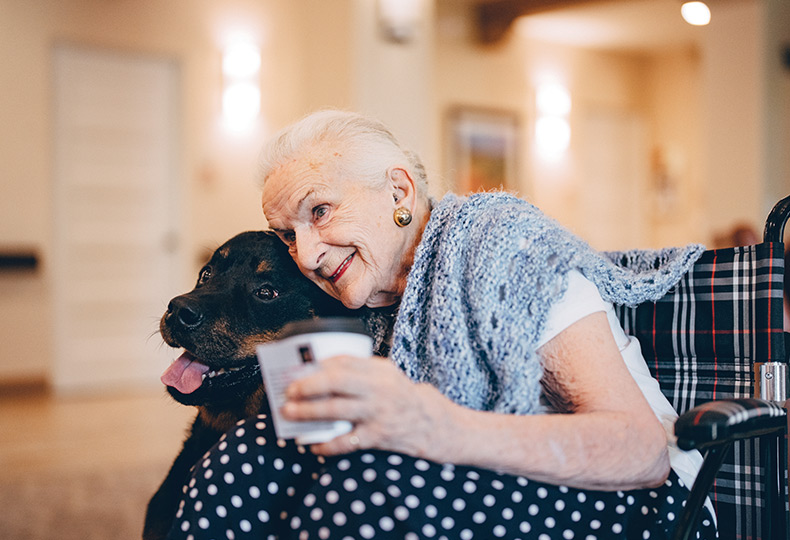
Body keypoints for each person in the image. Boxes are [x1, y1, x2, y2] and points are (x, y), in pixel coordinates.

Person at [166, 110, 717, 540]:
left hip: (648, 509)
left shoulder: (505, 252)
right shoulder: (364, 305)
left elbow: (642, 451)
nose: (306, 254)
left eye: (320, 211)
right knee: (242, 459)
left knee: (361, 488)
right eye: (287, 234)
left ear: (399, 192)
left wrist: (438, 427)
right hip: (484, 485)